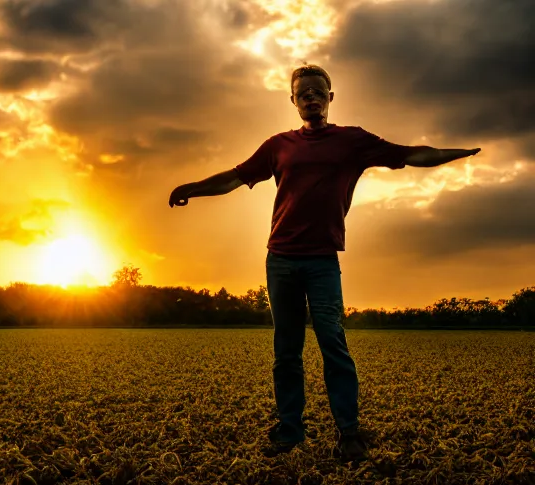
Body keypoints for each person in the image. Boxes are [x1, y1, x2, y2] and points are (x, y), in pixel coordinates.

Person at [168, 64, 480, 462]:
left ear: (331, 98)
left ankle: (349, 432)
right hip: (280, 258)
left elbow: (408, 154)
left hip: (322, 261)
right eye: (303, 93)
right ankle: (289, 430)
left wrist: (456, 154)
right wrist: (192, 188)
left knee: (333, 343)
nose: (311, 98)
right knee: (286, 349)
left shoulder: (353, 142)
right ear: (294, 101)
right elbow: (234, 177)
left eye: (318, 91)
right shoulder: (278, 146)